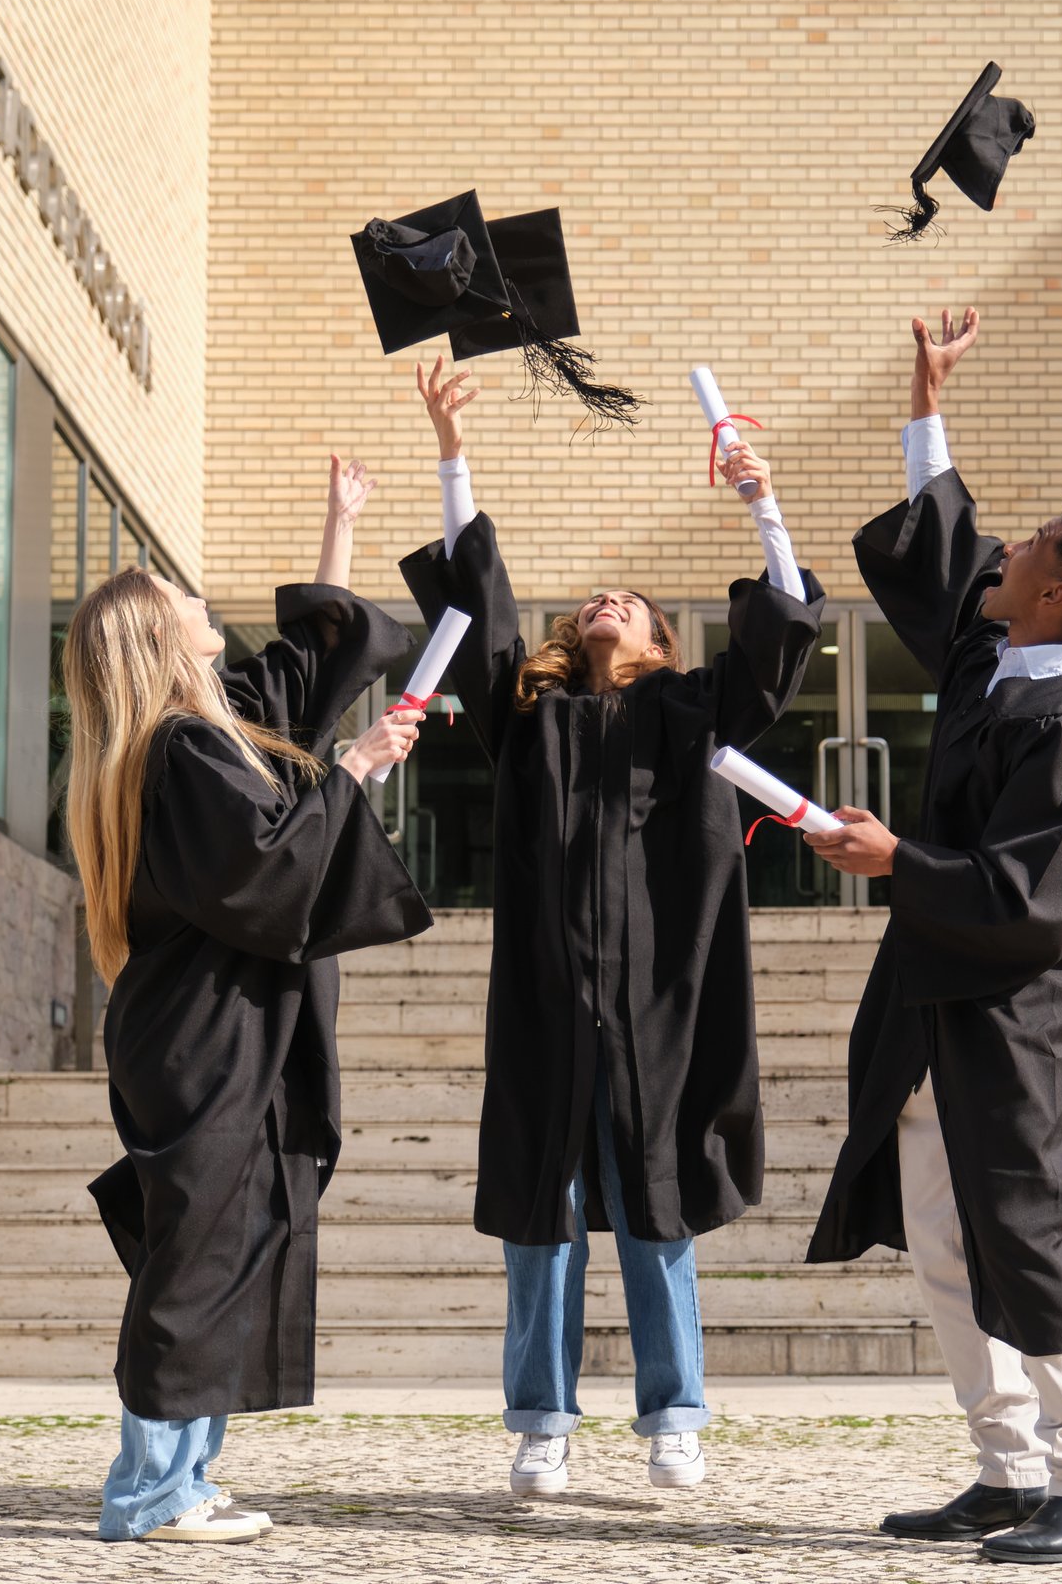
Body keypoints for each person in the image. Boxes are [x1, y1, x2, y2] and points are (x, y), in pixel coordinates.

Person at [398, 356, 824, 1497]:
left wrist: (760, 499)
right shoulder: (529, 721)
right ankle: (541, 1420)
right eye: (593, 597)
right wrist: (452, 455)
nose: (606, 600)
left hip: (657, 1008)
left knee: (653, 1206)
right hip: (547, 1004)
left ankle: (674, 1413)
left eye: (628, 602)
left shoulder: (689, 712)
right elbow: (474, 615)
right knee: (545, 1216)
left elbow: (784, 637)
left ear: (659, 645)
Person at [804, 308, 1062, 1565]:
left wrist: (899, 858)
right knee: (948, 1243)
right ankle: (1008, 1469)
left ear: (1054, 593)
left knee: (1020, 1233)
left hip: (1010, 1017)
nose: (1003, 549)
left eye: (1030, 548)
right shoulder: (997, 664)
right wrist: (922, 398)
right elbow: (949, 545)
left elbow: (1039, 900)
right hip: (931, 1003)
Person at [69, 455, 432, 1544]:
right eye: (177, 594)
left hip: (226, 1027)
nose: (197, 597)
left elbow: (302, 676)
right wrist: (359, 768)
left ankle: (186, 1478)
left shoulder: (201, 728)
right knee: (196, 1258)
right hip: (205, 1034)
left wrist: (339, 526)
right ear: (153, 636)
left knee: (229, 1246)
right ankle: (148, 1493)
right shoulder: (177, 752)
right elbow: (265, 862)